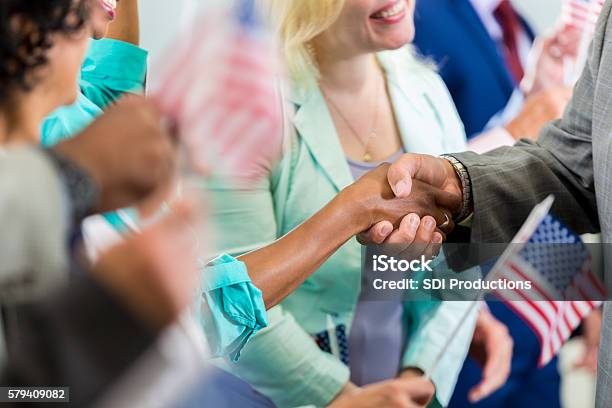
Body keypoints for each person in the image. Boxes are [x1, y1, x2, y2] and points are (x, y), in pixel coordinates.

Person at [204, 1, 508, 406]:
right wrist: (338, 398)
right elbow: (231, 298)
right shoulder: (241, 111)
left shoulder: (426, 90)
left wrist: (419, 376)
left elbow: (460, 264)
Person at [379, 1, 612, 406]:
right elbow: (575, 168)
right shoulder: (411, 17)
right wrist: (457, 182)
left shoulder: (515, 23)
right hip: (464, 302)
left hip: (511, 313)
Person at [412, 0, 575, 153]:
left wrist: (533, 96)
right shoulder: (418, 17)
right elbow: (428, 166)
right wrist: (519, 129)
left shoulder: (513, 19)